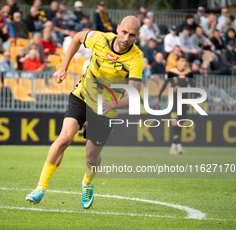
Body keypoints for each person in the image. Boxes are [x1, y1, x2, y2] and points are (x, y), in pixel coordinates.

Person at [25, 16, 143, 209]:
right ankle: (40, 188)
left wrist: (112, 104)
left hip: (106, 109)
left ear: (137, 36)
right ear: (118, 28)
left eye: (132, 35)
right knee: (64, 138)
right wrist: (63, 67)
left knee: (91, 157)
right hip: (82, 95)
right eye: (124, 32)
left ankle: (87, 183)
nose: (126, 38)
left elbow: (134, 94)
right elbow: (78, 37)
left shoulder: (136, 58)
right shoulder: (100, 38)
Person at [155, 55, 194, 155]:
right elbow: (164, 85)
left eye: (185, 61)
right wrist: (158, 96)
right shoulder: (171, 72)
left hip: (184, 102)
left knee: (180, 125)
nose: (183, 63)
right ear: (177, 62)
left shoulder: (188, 73)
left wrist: (198, 95)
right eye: (181, 61)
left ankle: (176, 147)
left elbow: (193, 85)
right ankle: (175, 147)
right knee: (175, 123)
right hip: (173, 102)